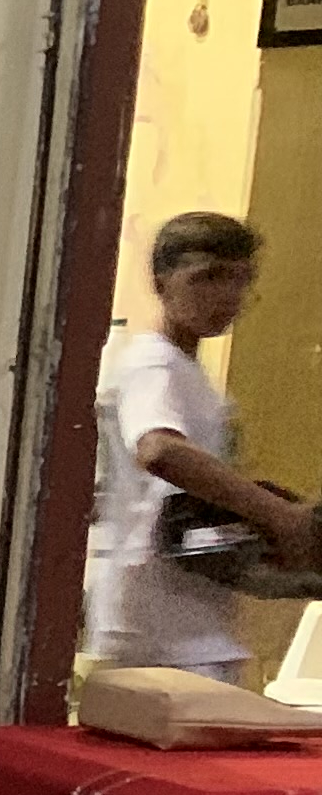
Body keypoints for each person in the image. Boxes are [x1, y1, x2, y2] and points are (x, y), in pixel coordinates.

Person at [85, 211, 309, 679]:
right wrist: (276, 514)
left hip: (187, 619)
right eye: (208, 277)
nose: (227, 295)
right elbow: (160, 450)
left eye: (240, 280)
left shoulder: (186, 372)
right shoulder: (154, 365)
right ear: (162, 282)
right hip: (159, 627)